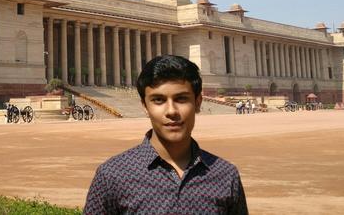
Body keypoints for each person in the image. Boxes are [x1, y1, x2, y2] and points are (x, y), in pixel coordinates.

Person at [84, 55, 248, 214]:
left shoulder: (225, 175)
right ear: (145, 106)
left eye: (181, 99)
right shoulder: (113, 176)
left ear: (198, 102)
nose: (171, 111)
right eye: (158, 100)